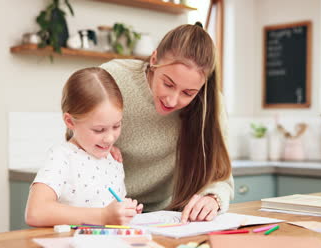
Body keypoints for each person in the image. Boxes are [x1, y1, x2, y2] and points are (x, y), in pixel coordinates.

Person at [100, 23, 233, 223]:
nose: (172, 100)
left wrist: (213, 198)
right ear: (154, 60)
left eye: (188, 93)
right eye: (168, 84)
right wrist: (95, 148)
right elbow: (74, 139)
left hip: (163, 218)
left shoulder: (210, 104)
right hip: (102, 211)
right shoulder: (111, 78)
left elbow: (221, 177)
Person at [25, 67, 143, 227]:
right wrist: (103, 216)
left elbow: (112, 214)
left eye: (116, 126)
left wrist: (125, 213)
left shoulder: (113, 159)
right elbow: (35, 213)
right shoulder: (62, 157)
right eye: (99, 130)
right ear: (70, 121)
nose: (109, 138)